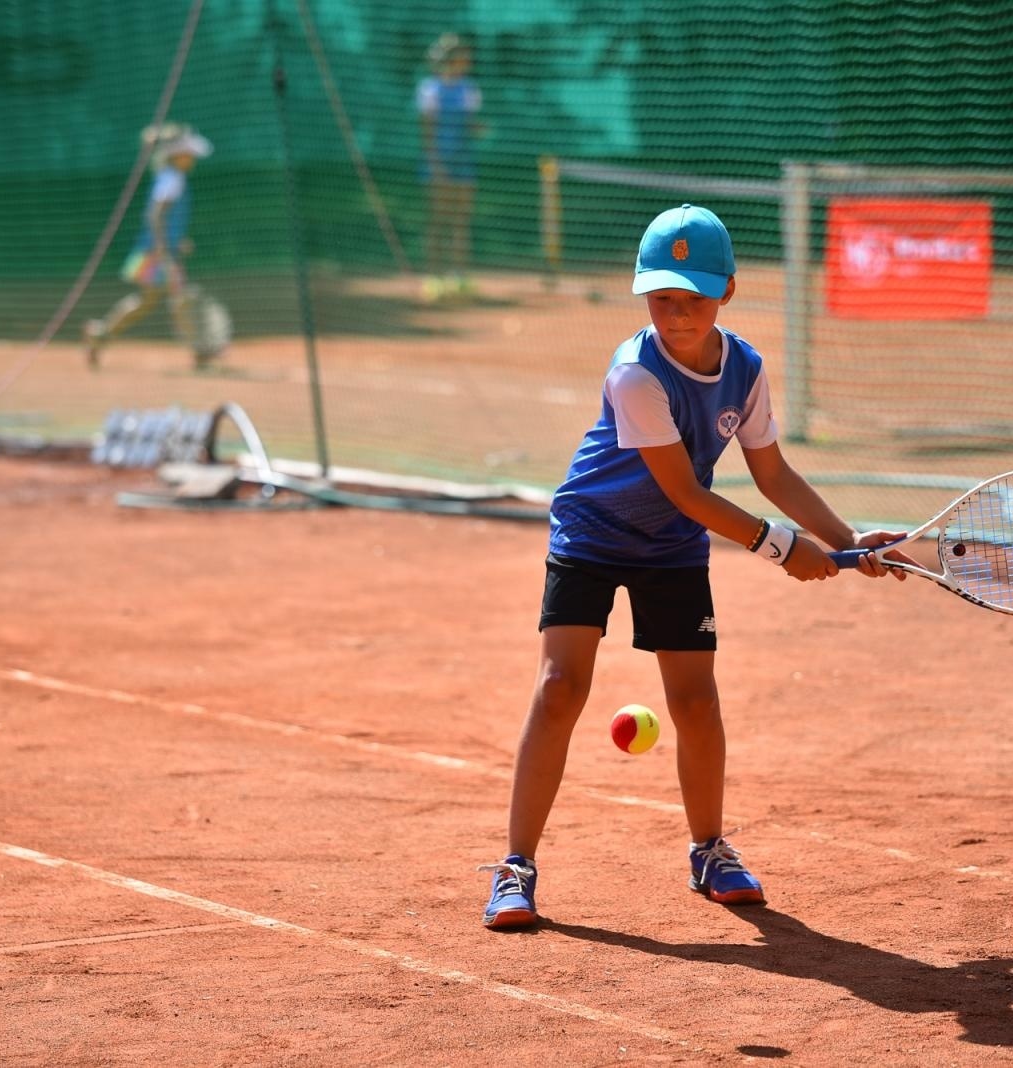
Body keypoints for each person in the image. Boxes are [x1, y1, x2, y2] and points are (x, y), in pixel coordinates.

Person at [478, 204, 910, 930]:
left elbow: (772, 474)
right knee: (561, 687)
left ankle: (708, 851)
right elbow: (684, 488)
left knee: (696, 702)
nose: (677, 315)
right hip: (592, 529)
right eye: (662, 298)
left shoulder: (744, 368)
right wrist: (779, 548)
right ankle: (516, 866)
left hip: (673, 545)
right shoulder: (635, 373)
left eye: (694, 299)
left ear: (728, 293)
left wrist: (848, 539)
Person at [85, 123, 223, 370]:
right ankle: (201, 351)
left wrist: (176, 241)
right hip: (157, 254)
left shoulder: (169, 177)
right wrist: (163, 250)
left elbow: (163, 217)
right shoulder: (173, 178)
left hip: (153, 251)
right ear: (177, 155)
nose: (192, 159)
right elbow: (156, 214)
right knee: (179, 298)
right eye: (189, 154)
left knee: (147, 300)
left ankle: (100, 333)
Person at [415, 33, 482, 302]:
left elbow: (468, 127)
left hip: (464, 161)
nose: (468, 59)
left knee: (461, 220)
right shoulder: (429, 89)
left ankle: (458, 277)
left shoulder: (469, 89)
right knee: (438, 219)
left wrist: (477, 130)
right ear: (451, 58)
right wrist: (435, 164)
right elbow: (427, 132)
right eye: (463, 54)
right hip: (437, 162)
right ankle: (433, 278)